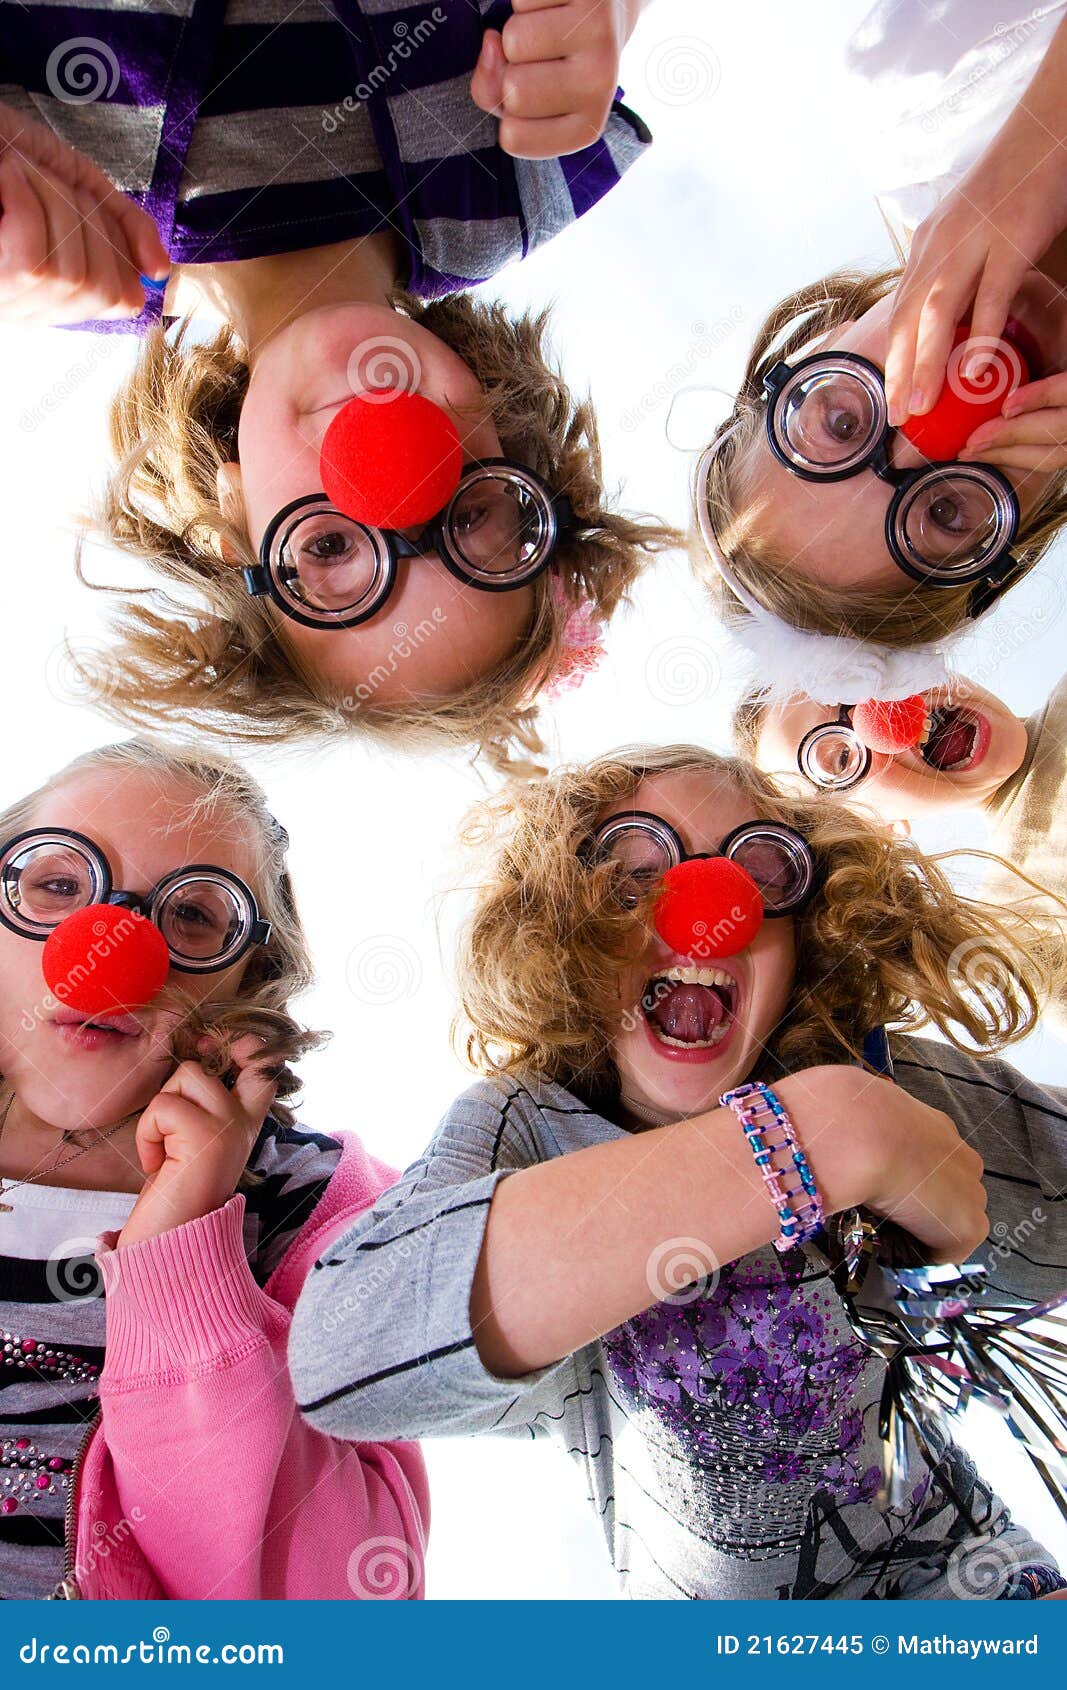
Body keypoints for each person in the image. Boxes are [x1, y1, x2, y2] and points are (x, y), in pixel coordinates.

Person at [289, 744, 1067, 1600]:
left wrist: (899, 1148)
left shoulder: (874, 1076)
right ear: (565, 930)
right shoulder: (530, 1127)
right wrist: (815, 1139)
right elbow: (347, 1357)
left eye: (763, 873)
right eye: (633, 874)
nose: (710, 908)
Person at [0, 2, 670, 771]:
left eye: (327, 546)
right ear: (507, 432)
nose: (393, 471)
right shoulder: (511, 181)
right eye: (473, 509)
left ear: (235, 516)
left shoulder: (49, 238)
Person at [0, 739, 427, 1599]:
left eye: (191, 916)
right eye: (56, 887)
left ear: (248, 978)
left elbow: (346, 1610)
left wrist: (181, 1258)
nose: (106, 947)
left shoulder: (321, 1211)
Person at [689, 7, 1067, 697]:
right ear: (1019, 534)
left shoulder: (917, 94)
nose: (931, 426)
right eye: (946, 510)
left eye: (841, 423)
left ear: (818, 339)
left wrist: (1039, 137)